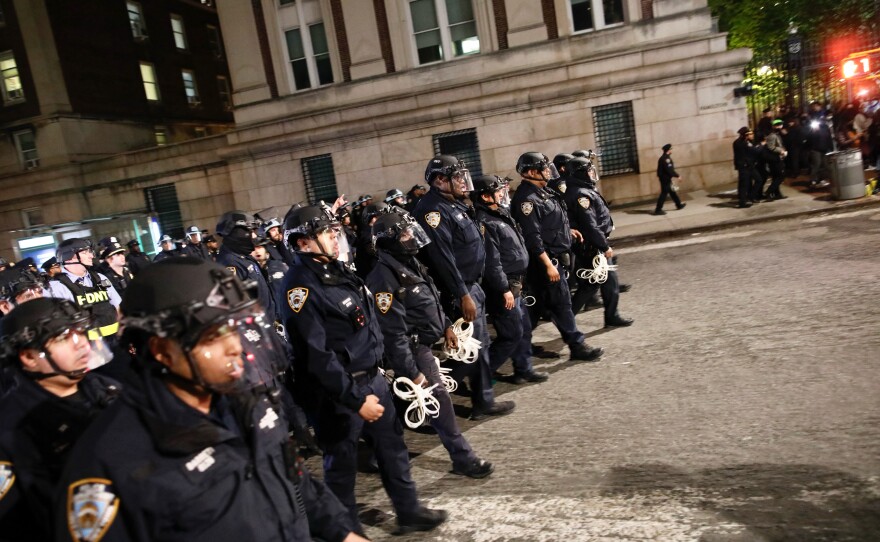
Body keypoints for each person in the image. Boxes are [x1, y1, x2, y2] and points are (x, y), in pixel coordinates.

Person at [54, 258, 366, 542]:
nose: (235, 348)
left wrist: (343, 532)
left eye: (236, 330)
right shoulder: (111, 460)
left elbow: (295, 480)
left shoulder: (247, 400)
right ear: (162, 351)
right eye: (212, 336)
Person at [281, 205, 447, 535]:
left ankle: (408, 510)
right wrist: (356, 400)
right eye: (326, 232)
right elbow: (317, 356)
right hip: (340, 395)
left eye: (333, 230)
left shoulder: (338, 270)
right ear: (303, 243)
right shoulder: (299, 287)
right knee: (341, 466)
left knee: (393, 449)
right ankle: (348, 530)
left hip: (372, 380)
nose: (334, 236)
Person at [366, 210, 494, 478]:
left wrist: (446, 325)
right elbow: (392, 333)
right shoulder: (383, 278)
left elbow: (431, 298)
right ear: (389, 242)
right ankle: (463, 458)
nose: (411, 238)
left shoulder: (410, 262)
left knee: (397, 408)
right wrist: (413, 372)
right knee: (439, 398)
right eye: (404, 235)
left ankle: (380, 452)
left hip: (424, 340)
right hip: (411, 348)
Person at [0, 298, 119, 541]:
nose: (82, 345)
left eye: (81, 333)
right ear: (29, 357)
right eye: (64, 338)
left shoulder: (106, 388)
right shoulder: (12, 427)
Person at [414, 154, 515, 420]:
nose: (462, 181)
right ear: (439, 180)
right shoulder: (432, 211)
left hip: (472, 286)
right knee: (465, 352)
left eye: (462, 176)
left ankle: (482, 400)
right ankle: (427, 401)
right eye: (456, 177)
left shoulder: (453, 204)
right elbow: (443, 259)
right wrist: (462, 294)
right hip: (459, 290)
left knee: (476, 347)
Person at [510, 152, 604, 361]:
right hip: (547, 261)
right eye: (543, 168)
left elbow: (550, 222)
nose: (547, 172)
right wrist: (548, 265)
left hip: (556, 257)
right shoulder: (528, 199)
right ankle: (577, 345)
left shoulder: (542, 192)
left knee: (535, 310)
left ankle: (520, 348)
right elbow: (532, 237)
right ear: (532, 172)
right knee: (561, 305)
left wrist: (567, 231)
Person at [472, 175, 548, 384]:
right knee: (511, 334)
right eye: (497, 191)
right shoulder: (484, 222)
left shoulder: (500, 214)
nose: (502, 194)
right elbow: (492, 263)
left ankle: (523, 368)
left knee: (522, 329)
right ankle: (483, 379)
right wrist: (504, 288)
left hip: (516, 283)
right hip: (504, 287)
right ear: (486, 196)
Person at [564, 157, 633, 328]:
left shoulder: (582, 189)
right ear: (581, 173)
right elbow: (589, 225)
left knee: (603, 282)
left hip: (592, 244)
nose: (592, 173)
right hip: (592, 246)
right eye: (589, 170)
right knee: (592, 285)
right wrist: (604, 246)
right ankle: (566, 320)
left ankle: (611, 316)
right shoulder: (581, 194)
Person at [44, 238, 121, 346]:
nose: (91, 256)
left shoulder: (100, 277)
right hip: (87, 348)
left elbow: (118, 308)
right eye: (85, 252)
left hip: (116, 342)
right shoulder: (56, 288)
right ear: (69, 256)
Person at [215, 211, 276, 322]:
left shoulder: (241, 256)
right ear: (238, 233)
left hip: (268, 323)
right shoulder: (230, 263)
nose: (254, 235)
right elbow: (238, 307)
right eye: (251, 231)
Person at [654, 143, 686, 215]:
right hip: (665, 179)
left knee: (672, 192)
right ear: (668, 150)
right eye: (671, 149)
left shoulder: (664, 158)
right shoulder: (666, 159)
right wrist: (678, 176)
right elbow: (669, 170)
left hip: (665, 178)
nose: (672, 150)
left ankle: (678, 205)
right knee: (664, 193)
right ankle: (658, 209)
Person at [733, 127, 760, 207]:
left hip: (750, 166)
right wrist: (760, 145)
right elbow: (753, 151)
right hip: (744, 166)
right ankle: (742, 202)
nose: (752, 135)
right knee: (743, 185)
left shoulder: (746, 142)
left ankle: (751, 196)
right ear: (745, 135)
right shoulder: (740, 143)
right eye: (750, 134)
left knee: (758, 180)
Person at [763, 119, 788, 200]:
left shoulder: (777, 134)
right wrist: (781, 151)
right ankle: (768, 192)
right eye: (778, 125)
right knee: (780, 176)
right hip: (774, 159)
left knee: (776, 177)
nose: (780, 126)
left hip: (777, 158)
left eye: (780, 125)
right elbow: (771, 147)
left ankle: (777, 194)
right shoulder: (772, 135)